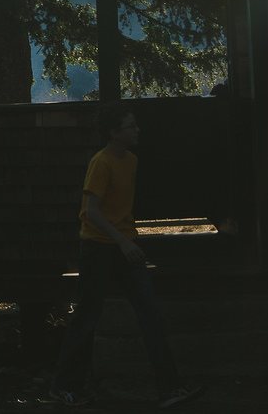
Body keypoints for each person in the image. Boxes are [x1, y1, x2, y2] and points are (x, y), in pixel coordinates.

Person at [50, 103, 203, 409]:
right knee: (87, 317)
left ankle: (170, 388)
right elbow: (90, 212)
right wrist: (122, 242)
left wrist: (127, 240)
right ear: (113, 133)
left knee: (150, 313)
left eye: (135, 125)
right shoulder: (101, 163)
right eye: (131, 126)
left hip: (124, 245)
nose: (137, 130)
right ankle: (65, 387)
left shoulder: (130, 160)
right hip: (98, 248)